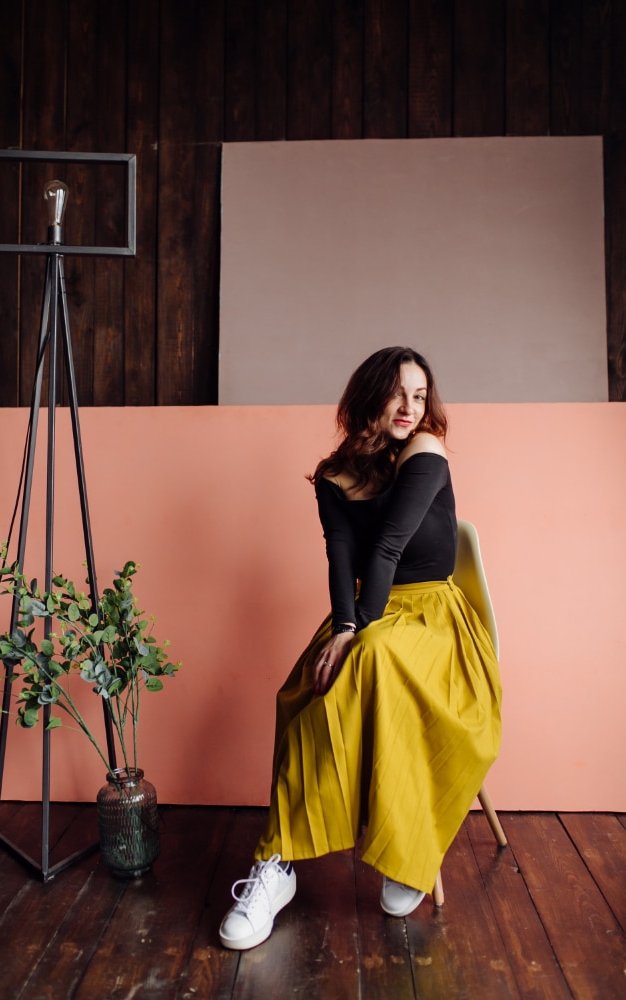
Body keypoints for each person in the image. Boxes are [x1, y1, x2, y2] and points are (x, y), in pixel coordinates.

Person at [219, 346, 502, 951]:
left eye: (420, 396)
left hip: (434, 615)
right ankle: (280, 863)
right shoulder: (333, 475)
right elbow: (341, 555)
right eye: (398, 393)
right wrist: (345, 624)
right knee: (304, 689)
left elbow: (388, 549)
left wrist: (356, 631)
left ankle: (408, 851)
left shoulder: (426, 453)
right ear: (368, 395)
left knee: (369, 661)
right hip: (369, 611)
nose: (410, 408)